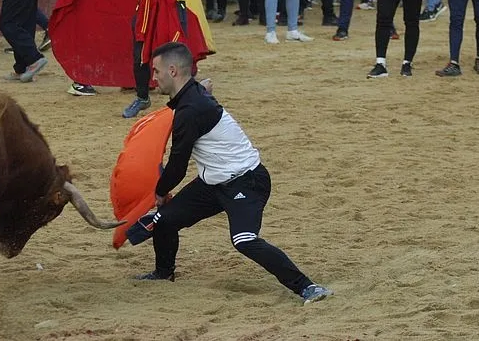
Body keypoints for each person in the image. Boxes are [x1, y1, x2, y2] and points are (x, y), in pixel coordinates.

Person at [133, 42, 333, 306]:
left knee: (244, 240)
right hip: (213, 182)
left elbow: (178, 165)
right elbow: (198, 91)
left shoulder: (190, 111)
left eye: (156, 71)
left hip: (247, 181)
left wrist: (160, 191)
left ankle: (307, 287)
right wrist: (203, 86)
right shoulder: (191, 95)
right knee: (165, 220)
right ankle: (163, 273)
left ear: (172, 71)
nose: (153, 78)